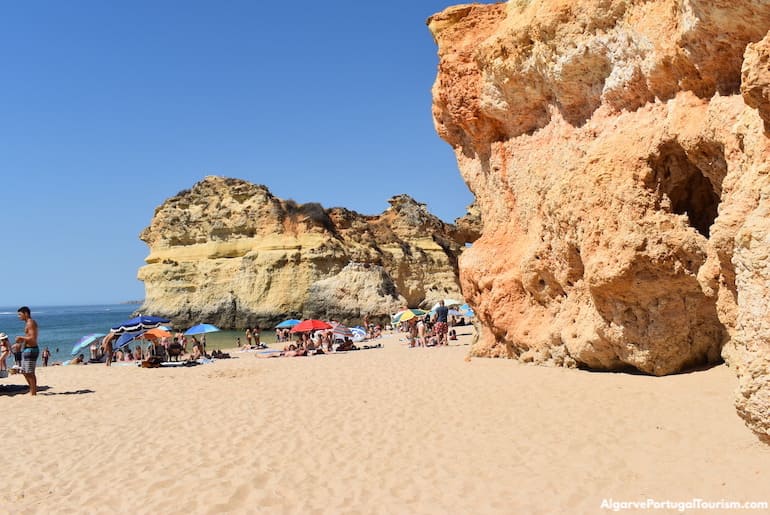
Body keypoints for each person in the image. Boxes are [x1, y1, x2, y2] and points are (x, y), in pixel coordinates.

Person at [15, 306, 40, 395]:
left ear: (26, 313)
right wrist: (20, 343)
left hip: (31, 349)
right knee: (24, 372)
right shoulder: (28, 323)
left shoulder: (30, 323)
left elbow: (33, 338)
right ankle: (32, 390)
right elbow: (29, 338)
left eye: (20, 314)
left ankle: (33, 392)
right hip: (27, 349)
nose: (19, 316)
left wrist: (21, 337)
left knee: (30, 372)